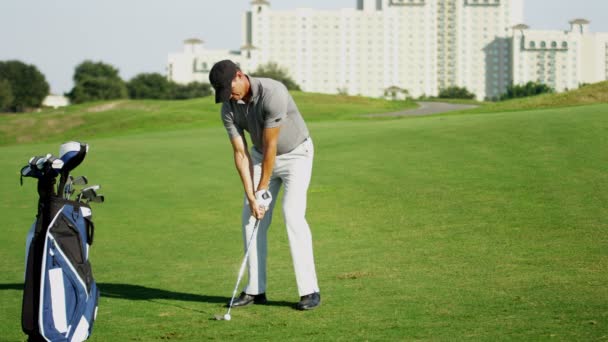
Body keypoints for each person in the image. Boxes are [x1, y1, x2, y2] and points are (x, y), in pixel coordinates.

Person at [209, 60, 321, 310]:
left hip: (296, 155)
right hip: (260, 156)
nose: (230, 97)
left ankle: (310, 290)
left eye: (230, 90)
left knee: (292, 215)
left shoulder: (273, 93)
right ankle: (255, 290)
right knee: (250, 218)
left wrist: (261, 190)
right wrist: (251, 197)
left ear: (240, 76)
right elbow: (240, 153)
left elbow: (272, 145)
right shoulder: (228, 107)